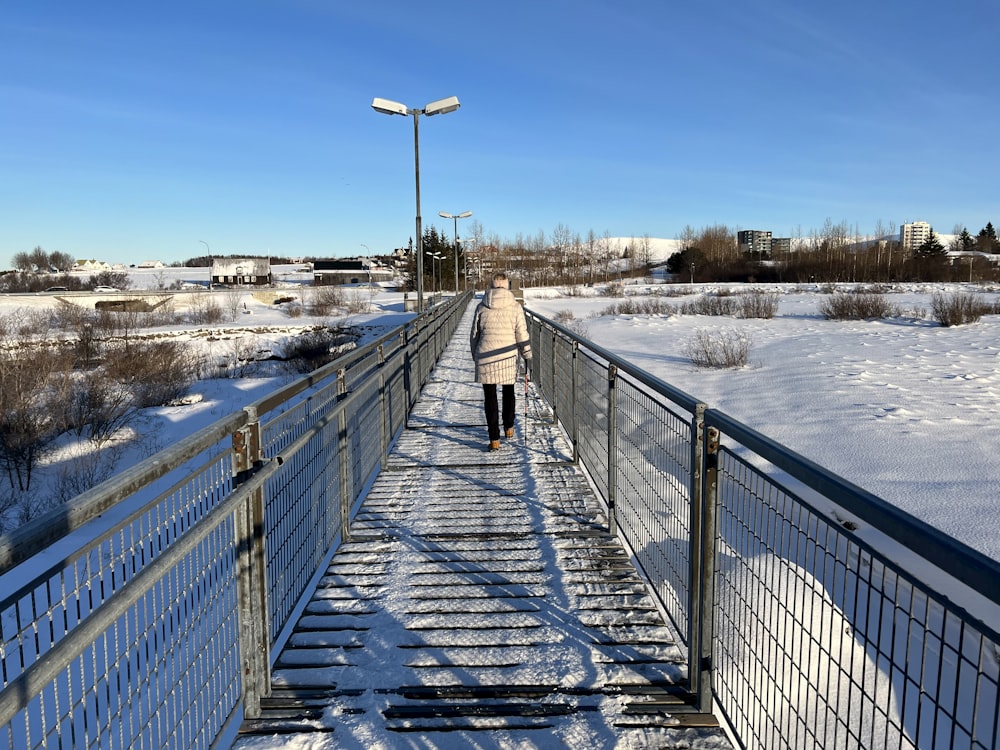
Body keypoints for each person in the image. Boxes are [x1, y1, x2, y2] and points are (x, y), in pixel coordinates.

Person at [470, 273, 532, 451]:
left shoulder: (481, 306)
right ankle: (509, 427)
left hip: (486, 356)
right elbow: (522, 333)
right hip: (507, 356)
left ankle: (494, 438)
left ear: (491, 286)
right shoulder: (515, 307)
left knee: (490, 398)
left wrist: (476, 356)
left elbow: (474, 335)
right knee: (508, 392)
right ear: (506, 286)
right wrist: (527, 353)